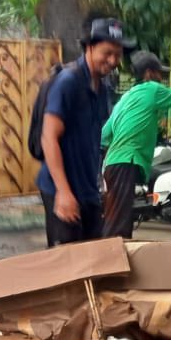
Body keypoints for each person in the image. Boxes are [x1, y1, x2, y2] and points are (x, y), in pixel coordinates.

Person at [39, 18, 125, 246]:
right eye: (107, 53)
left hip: (87, 192)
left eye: (118, 55)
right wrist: (63, 192)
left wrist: (101, 187)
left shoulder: (103, 89)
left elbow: (93, 142)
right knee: (67, 270)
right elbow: (49, 137)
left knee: (91, 264)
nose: (113, 60)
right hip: (63, 189)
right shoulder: (68, 82)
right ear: (89, 47)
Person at [101, 49, 171, 239]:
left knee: (117, 218)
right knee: (118, 225)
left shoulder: (125, 99)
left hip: (112, 164)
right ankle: (112, 264)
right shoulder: (152, 89)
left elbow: (104, 135)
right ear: (150, 73)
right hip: (127, 162)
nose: (161, 78)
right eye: (160, 73)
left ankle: (114, 262)